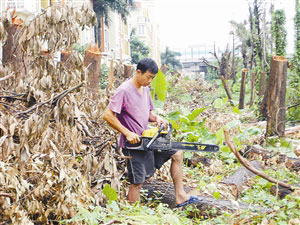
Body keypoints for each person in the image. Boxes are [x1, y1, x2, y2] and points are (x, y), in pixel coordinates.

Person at [103, 58, 199, 207]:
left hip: (148, 140)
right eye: (148, 77)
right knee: (137, 182)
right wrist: (127, 133)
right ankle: (134, 215)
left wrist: (157, 119)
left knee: (177, 153)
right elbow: (107, 115)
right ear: (139, 72)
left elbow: (148, 114)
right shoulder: (124, 90)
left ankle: (180, 195)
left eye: (153, 78)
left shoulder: (146, 89)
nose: (150, 81)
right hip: (133, 144)